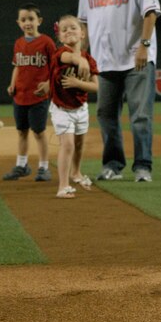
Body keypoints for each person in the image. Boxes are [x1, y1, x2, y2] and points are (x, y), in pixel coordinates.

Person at [78, 0, 161, 183]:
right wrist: (82, 56)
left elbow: (150, 11)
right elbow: (84, 23)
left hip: (136, 58)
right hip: (104, 61)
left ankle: (143, 167)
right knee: (105, 115)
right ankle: (113, 165)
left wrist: (144, 47)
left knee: (140, 116)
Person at [2, 3, 57, 183]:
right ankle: (22, 165)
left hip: (38, 96)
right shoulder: (19, 43)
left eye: (31, 19)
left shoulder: (46, 42)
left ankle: (43, 167)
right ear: (18, 23)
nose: (27, 23)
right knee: (21, 131)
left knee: (39, 132)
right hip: (20, 95)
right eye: (24, 19)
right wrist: (12, 85)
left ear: (39, 21)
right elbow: (17, 66)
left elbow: (56, 67)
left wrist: (49, 83)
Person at [49, 14, 99, 199]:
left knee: (79, 144)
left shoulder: (89, 59)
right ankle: (63, 186)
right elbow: (67, 57)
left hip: (80, 108)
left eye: (73, 27)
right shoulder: (59, 53)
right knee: (68, 144)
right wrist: (79, 60)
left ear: (82, 33)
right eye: (64, 30)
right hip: (61, 109)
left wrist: (78, 83)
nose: (69, 31)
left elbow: (96, 86)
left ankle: (76, 172)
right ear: (60, 38)